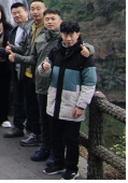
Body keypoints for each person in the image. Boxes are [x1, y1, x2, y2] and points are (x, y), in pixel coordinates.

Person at [9, 9, 92, 165]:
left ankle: (56, 153)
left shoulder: (65, 39)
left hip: (59, 87)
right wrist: (17, 58)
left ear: (60, 21)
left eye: (53, 19)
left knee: (57, 124)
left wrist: (90, 50)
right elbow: (34, 59)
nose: (49, 22)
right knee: (45, 121)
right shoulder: (40, 39)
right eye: (47, 19)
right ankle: (45, 148)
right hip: (42, 84)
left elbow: (84, 47)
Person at [39, 21, 97, 180]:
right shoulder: (56, 50)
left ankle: (72, 169)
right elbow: (44, 71)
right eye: (65, 34)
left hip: (72, 104)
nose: (68, 38)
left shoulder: (84, 56)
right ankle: (58, 163)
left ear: (78, 34)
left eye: (72, 35)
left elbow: (90, 84)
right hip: (55, 102)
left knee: (71, 140)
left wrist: (81, 105)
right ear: (61, 34)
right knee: (55, 136)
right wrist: (44, 68)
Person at [7, 0, 47, 147]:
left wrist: (87, 48)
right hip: (28, 73)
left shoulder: (48, 27)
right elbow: (26, 49)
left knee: (39, 107)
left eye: (38, 8)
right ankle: (34, 134)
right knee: (31, 106)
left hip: (41, 74)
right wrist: (11, 48)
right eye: (33, 9)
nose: (35, 12)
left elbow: (34, 56)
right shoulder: (30, 28)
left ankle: (40, 137)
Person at [4, 2, 32, 138]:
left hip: (29, 70)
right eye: (14, 13)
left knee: (30, 102)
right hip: (16, 70)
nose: (17, 15)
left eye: (19, 12)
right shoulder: (14, 30)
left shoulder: (32, 28)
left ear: (26, 12)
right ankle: (18, 126)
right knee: (18, 99)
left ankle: (31, 129)